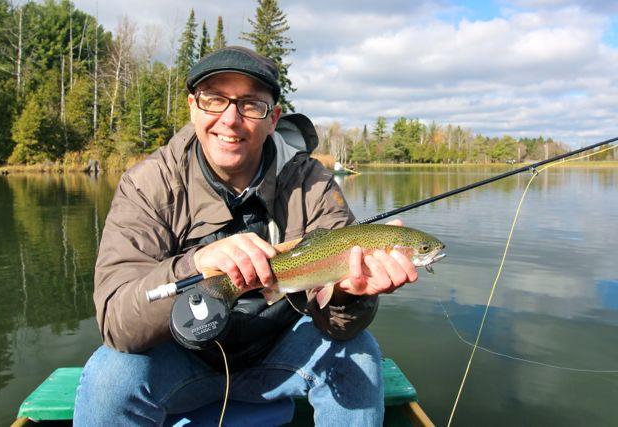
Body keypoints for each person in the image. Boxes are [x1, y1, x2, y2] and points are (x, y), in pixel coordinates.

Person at [74, 46, 418, 426]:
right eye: (214, 100)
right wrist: (196, 263)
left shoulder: (312, 183)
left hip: (280, 354)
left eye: (251, 105)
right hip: (181, 358)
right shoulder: (149, 184)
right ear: (193, 106)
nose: (230, 119)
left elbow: (341, 324)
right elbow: (116, 320)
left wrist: (348, 295)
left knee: (359, 354)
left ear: (273, 119)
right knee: (109, 376)